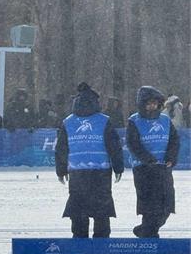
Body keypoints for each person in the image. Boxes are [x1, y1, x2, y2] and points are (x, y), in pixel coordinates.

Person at [55, 82, 124, 238]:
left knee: (78, 206)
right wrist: (118, 167)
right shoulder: (104, 120)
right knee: (102, 207)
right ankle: (101, 238)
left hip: (77, 171)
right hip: (101, 171)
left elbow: (61, 148)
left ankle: (79, 237)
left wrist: (61, 170)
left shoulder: (68, 122)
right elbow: (114, 146)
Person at [126, 86, 179, 238]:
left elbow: (174, 141)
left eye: (155, 103)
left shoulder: (165, 120)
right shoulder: (134, 120)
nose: (152, 106)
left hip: (163, 168)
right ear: (142, 104)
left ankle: (146, 230)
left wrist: (171, 157)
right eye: (148, 103)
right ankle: (150, 234)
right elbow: (133, 144)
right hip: (143, 169)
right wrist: (148, 159)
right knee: (149, 206)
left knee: (166, 206)